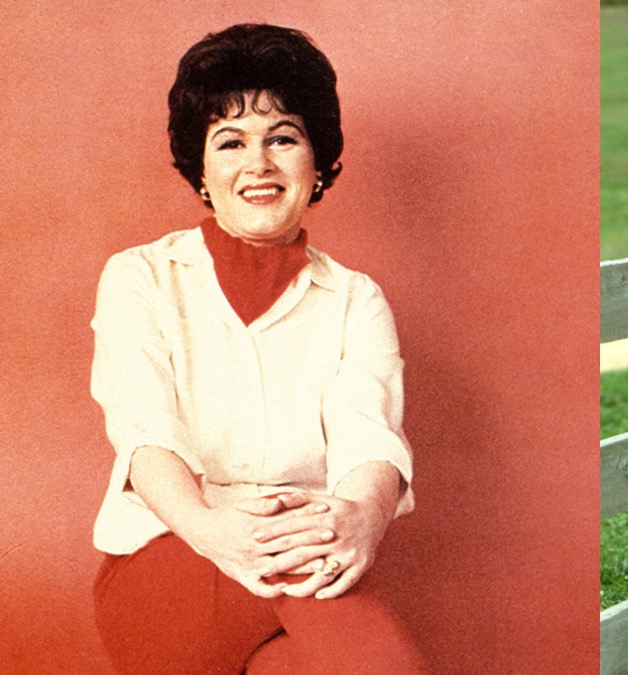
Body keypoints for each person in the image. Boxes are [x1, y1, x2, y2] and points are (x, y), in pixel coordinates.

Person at [90, 24, 426, 673]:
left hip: (308, 553)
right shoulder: (140, 277)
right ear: (203, 168)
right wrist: (215, 529)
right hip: (171, 549)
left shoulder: (357, 299)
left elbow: (369, 437)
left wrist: (363, 516)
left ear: (317, 160)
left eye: (283, 137)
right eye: (231, 141)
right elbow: (145, 432)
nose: (259, 164)